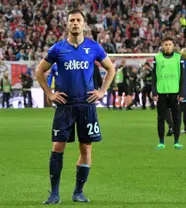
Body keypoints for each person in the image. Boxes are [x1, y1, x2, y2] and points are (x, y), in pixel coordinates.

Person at [35, 9, 115, 204]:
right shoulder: (58, 49)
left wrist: (102, 90)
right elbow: (39, 71)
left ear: (84, 24)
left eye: (78, 20)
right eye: (72, 20)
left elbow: (111, 68)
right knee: (58, 146)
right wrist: (49, 93)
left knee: (86, 148)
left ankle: (78, 192)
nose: (75, 23)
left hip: (87, 105)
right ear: (67, 24)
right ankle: (54, 194)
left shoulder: (94, 47)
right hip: (65, 106)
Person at [152, 36, 184, 150]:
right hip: (161, 93)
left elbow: (182, 77)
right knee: (160, 118)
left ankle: (176, 141)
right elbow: (154, 76)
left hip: (175, 93)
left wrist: (182, 92)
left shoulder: (178, 58)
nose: (168, 46)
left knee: (177, 118)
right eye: (166, 44)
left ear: (173, 46)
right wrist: (154, 91)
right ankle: (161, 142)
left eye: (170, 44)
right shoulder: (157, 58)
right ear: (162, 46)